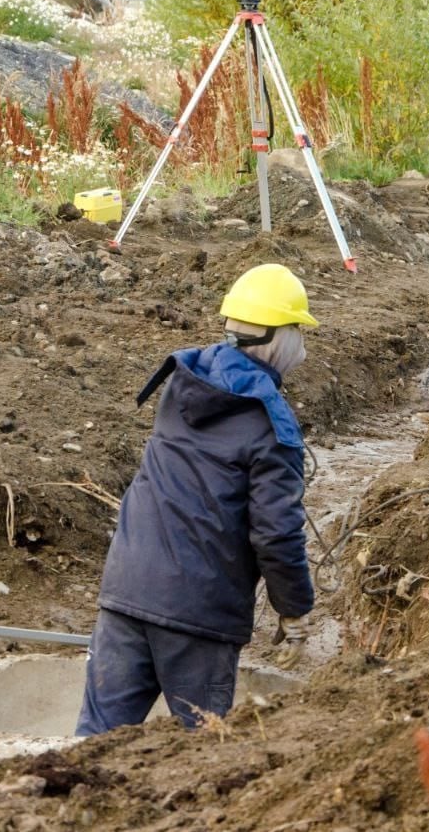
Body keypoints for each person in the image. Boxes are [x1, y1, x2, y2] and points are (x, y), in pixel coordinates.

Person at [75, 263, 317, 737]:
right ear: (279, 337)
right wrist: (294, 609)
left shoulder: (184, 383)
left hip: (126, 588)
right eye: (298, 333)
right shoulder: (271, 423)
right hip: (198, 615)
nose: (302, 348)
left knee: (94, 743)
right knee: (203, 753)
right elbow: (276, 531)